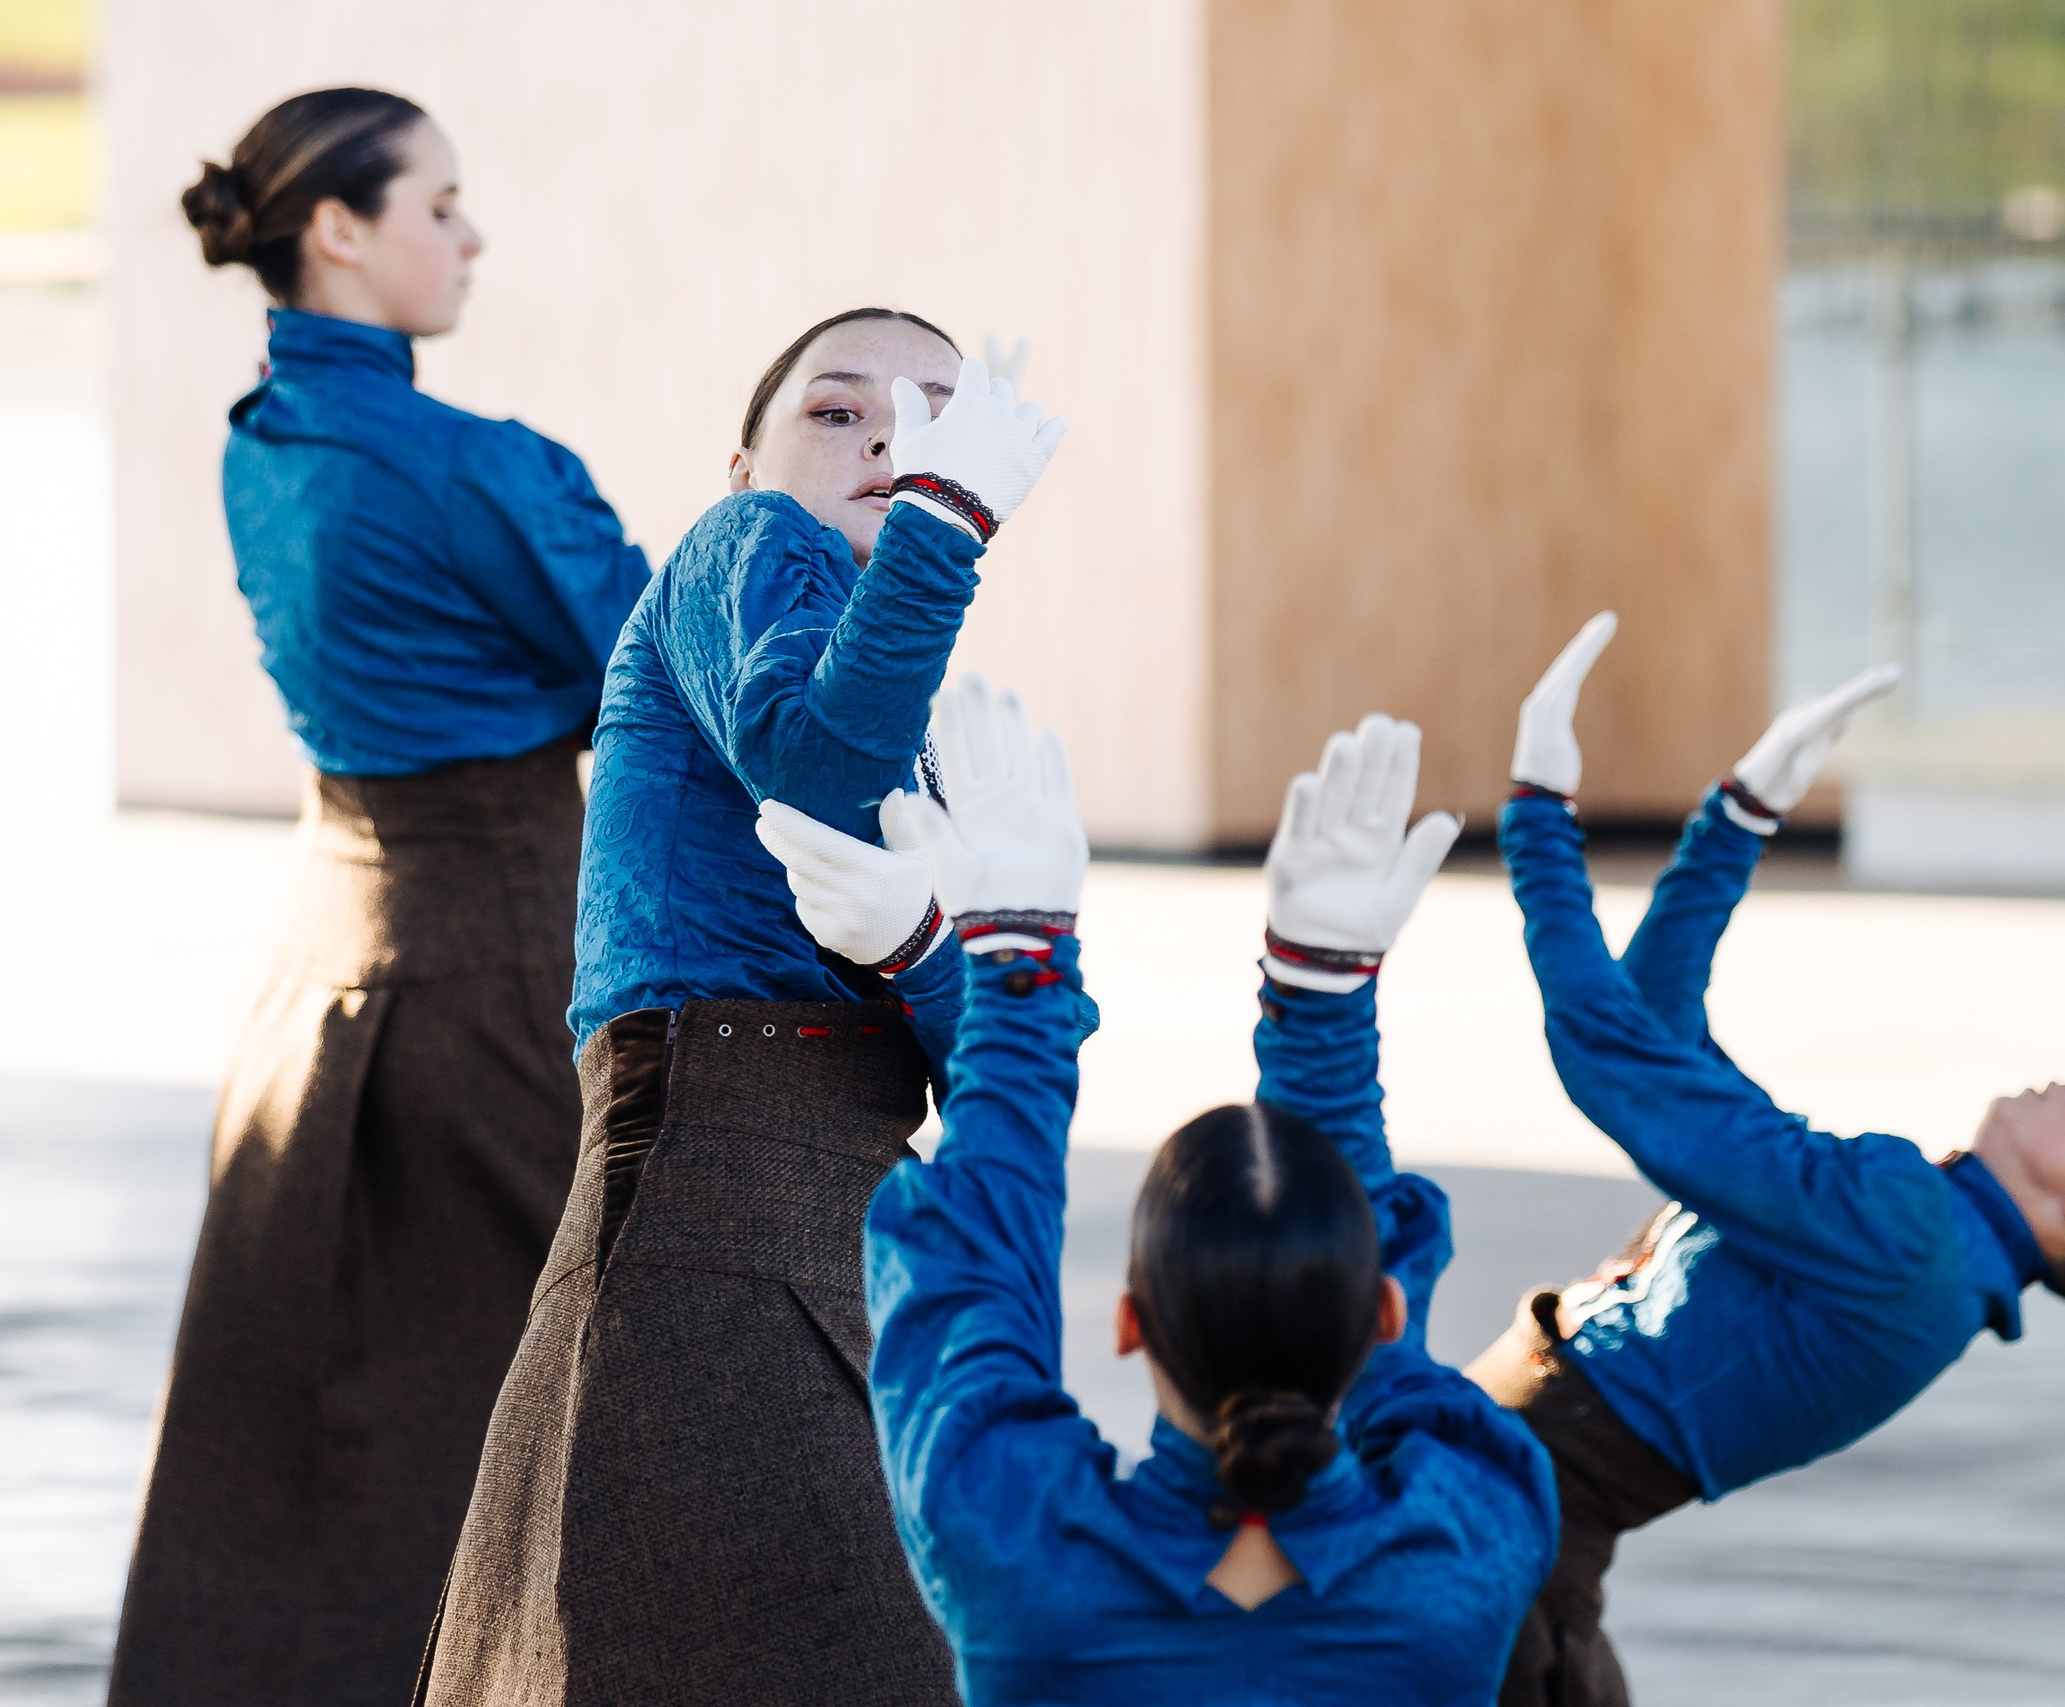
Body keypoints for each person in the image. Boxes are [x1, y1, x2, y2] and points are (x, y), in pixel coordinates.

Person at [415, 313, 1067, 1706]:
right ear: (741, 466)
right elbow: (810, 764)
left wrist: (964, 945)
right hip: (713, 1203)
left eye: (940, 419)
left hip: (848, 1234)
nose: (894, 436)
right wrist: (945, 521)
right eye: (841, 411)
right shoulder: (743, 545)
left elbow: (1004, 1069)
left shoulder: (931, 732)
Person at [110, 89, 650, 1707]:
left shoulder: (263, 441)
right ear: (337, 230)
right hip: (501, 960)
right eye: (439, 202)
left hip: (328, 969)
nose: (469, 232)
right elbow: (650, 671)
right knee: (582, 1390)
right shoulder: (469, 467)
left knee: (322, 1422)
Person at [1473, 614, 2065, 1707]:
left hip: (1505, 1537)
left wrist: (1537, 816)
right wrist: (1736, 821)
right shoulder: (1924, 1241)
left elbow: (1615, 1061)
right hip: (1509, 1521)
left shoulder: (1906, 1234)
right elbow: (1660, 1041)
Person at [766, 675, 1559, 1703]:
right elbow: (966, 1288)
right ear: (1384, 1308)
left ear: (1130, 1321)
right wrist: (1319, 998)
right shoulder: (1472, 1548)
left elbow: (967, 1292)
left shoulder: (1025, 1565)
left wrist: (1013, 960)